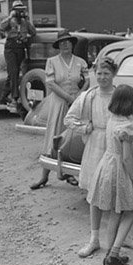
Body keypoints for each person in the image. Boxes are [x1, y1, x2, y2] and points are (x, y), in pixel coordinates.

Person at [85, 85, 133, 265]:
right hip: (119, 170)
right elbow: (126, 157)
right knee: (131, 209)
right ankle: (114, 254)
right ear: (129, 103)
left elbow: (125, 142)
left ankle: (110, 254)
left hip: (106, 164)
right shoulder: (126, 126)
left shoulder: (113, 120)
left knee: (115, 212)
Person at [63, 56, 125, 258]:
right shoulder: (89, 96)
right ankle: (94, 238)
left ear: (113, 74)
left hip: (115, 146)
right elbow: (68, 119)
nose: (102, 77)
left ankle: (119, 238)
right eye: (99, 73)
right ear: (94, 74)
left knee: (117, 192)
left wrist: (127, 132)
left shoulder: (120, 95)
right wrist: (84, 127)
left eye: (106, 73)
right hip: (95, 145)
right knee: (94, 195)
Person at [30, 31, 88, 191]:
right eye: (62, 42)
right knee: (54, 135)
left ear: (72, 44)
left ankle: (67, 173)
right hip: (59, 102)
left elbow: (87, 80)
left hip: (76, 102)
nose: (65, 45)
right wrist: (68, 98)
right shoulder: (52, 61)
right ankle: (44, 176)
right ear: (58, 46)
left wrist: (79, 95)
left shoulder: (80, 61)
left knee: (72, 136)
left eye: (68, 42)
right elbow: (51, 83)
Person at [0, 1, 35, 109]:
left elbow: (33, 32)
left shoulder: (25, 21)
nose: (20, 12)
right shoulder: (10, 21)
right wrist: (11, 17)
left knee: (13, 74)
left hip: (20, 47)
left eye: (21, 10)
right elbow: (1, 27)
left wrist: (27, 20)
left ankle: (3, 97)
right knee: (13, 71)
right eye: (17, 10)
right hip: (10, 48)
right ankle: (15, 97)